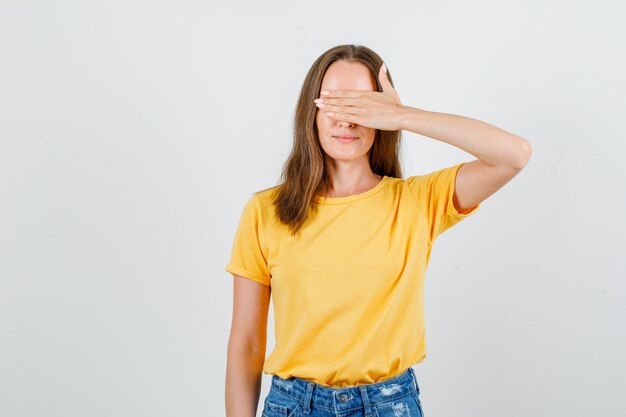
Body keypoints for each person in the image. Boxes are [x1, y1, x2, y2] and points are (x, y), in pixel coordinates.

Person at [224, 44, 531, 417]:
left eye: (362, 106)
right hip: (293, 406)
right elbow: (247, 344)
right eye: (335, 104)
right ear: (311, 112)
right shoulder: (266, 211)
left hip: (389, 405)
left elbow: (514, 153)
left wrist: (404, 116)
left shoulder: (417, 201)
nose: (347, 120)